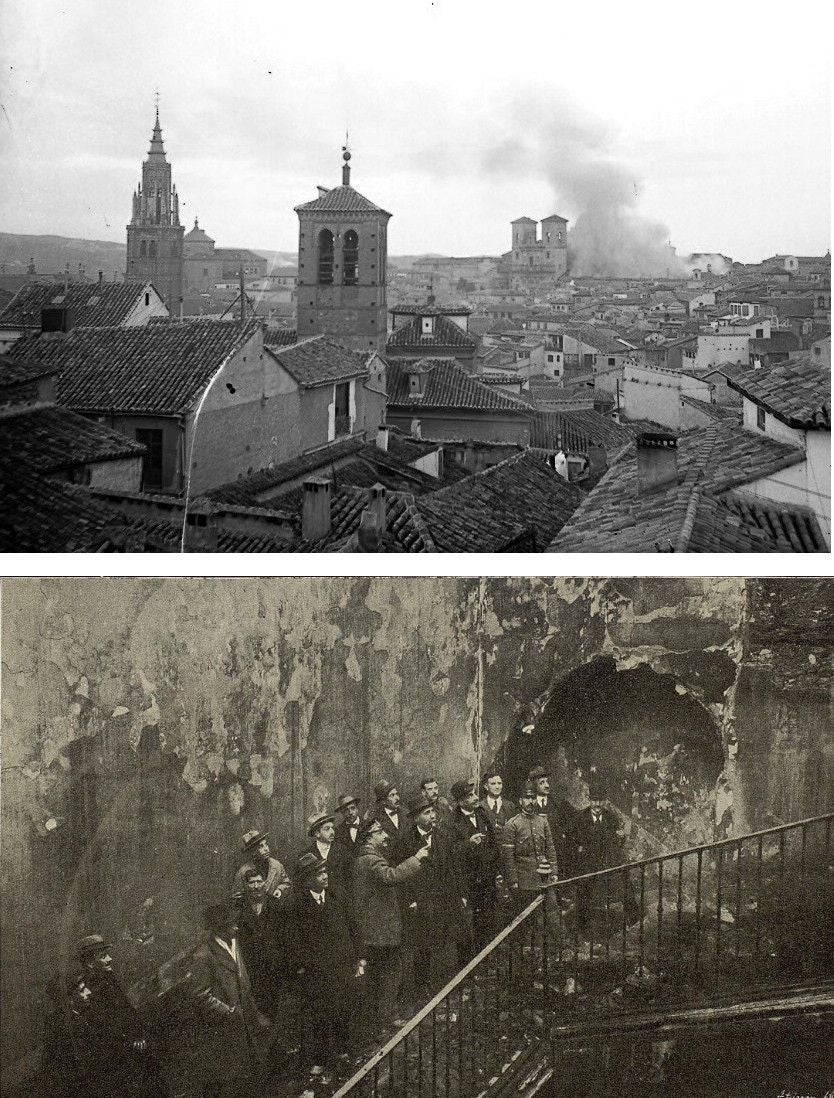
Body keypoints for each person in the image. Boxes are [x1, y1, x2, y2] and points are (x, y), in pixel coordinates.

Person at [287, 852, 362, 1076]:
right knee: (319, 1015)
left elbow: (353, 927)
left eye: (325, 871)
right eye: (319, 873)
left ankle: (342, 1051)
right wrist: (304, 966)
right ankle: (320, 1058)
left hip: (341, 965)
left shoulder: (337, 896)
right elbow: (295, 940)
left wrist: (360, 957)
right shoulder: (297, 905)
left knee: (342, 1009)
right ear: (308, 879)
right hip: (316, 971)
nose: (325, 876)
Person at [352, 812, 429, 1027]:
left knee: (379, 972)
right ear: (369, 837)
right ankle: (388, 1015)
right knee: (390, 971)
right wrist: (416, 858)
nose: (384, 835)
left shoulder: (364, 857)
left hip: (373, 927)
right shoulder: (371, 859)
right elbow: (391, 876)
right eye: (379, 832)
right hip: (380, 928)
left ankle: (379, 1016)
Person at [185, 902, 270, 1098]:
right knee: (236, 1076)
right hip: (228, 1026)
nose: (237, 927)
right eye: (232, 924)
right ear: (219, 928)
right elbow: (200, 994)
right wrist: (228, 1011)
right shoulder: (203, 955)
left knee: (256, 1067)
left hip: (247, 1018)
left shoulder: (234, 942)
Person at [73, 934, 168, 1097]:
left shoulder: (107, 977)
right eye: (103, 956)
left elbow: (126, 1010)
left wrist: (139, 1034)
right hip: (121, 1048)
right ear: (89, 962)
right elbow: (105, 1022)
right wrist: (133, 1039)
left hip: (135, 1042)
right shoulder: (88, 988)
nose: (109, 959)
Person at [395, 791, 467, 1005]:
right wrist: (410, 900)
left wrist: (460, 894)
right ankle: (422, 986)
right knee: (423, 945)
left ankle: (456, 981)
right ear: (417, 818)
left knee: (455, 937)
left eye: (433, 811)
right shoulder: (404, 842)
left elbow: (453, 867)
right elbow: (401, 875)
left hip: (445, 896)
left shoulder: (443, 836)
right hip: (421, 901)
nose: (433, 816)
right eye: (427, 813)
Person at [568, 776, 637, 932]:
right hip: (587, 863)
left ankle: (634, 921)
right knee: (583, 891)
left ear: (604, 801)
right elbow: (571, 842)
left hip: (607, 861)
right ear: (589, 799)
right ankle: (581, 929)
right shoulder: (580, 818)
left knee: (624, 883)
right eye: (594, 800)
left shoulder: (611, 818)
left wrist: (620, 839)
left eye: (600, 800)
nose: (597, 804)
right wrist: (579, 851)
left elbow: (617, 842)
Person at [448, 778, 500, 957]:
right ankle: (469, 964)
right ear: (461, 801)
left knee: (487, 919)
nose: (476, 797)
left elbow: (493, 842)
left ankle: (486, 958)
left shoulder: (482, 813)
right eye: (470, 796)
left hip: (486, 879)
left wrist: (495, 869)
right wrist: (468, 844)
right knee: (468, 926)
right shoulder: (451, 822)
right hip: (468, 883)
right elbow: (450, 853)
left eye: (474, 793)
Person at [235, 863, 292, 1019]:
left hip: (275, 965)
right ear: (246, 885)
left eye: (259, 881)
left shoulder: (276, 905)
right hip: (251, 966)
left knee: (277, 1006)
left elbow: (286, 936)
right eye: (252, 882)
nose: (256, 886)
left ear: (264, 883)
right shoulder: (239, 909)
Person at [501, 783, 559, 914]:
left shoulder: (542, 821)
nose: (531, 801)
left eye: (533, 798)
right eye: (527, 798)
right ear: (521, 801)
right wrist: (513, 880)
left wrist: (554, 872)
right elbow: (509, 857)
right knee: (528, 919)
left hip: (544, 878)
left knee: (551, 914)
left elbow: (550, 848)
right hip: (524, 882)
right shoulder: (512, 824)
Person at [527, 764, 577, 877]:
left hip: (557, 853)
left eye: (547, 781)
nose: (546, 785)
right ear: (534, 786)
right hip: (535, 855)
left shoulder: (559, 804)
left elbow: (575, 820)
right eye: (542, 783)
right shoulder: (528, 806)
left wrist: (561, 834)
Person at [232, 829, 291, 903]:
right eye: (260, 847)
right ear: (253, 852)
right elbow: (236, 898)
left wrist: (279, 890)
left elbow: (286, 883)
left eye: (266, 844)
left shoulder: (277, 865)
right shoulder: (242, 872)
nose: (266, 849)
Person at [302, 810, 350, 893]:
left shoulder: (343, 851)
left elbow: (349, 880)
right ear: (317, 833)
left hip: (339, 902)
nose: (332, 832)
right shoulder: (306, 854)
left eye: (332, 828)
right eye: (327, 829)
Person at [481, 770, 516, 836]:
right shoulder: (480, 807)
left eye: (499, 783)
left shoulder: (510, 806)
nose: (497, 787)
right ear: (486, 786)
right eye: (493, 784)